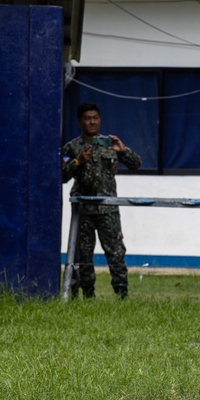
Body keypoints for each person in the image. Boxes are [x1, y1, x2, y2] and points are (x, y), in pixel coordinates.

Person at [62, 103, 142, 300]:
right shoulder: (72, 147)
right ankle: (88, 296)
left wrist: (122, 151)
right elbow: (61, 176)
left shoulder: (110, 143)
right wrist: (78, 161)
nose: (92, 122)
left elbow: (136, 164)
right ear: (79, 122)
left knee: (115, 253)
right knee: (83, 256)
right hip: (83, 211)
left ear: (100, 120)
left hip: (108, 210)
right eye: (87, 118)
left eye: (95, 118)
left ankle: (122, 296)